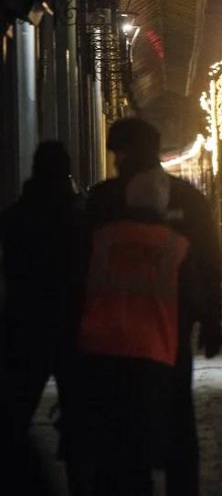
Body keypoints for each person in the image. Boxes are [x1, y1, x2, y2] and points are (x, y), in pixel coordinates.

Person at [62, 118, 222, 495]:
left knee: (118, 425)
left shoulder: (102, 199)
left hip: (107, 338)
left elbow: (79, 268)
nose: (118, 161)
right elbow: (208, 262)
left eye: (119, 153)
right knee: (178, 419)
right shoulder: (189, 199)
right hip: (169, 330)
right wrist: (210, 318)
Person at [0, 142, 80, 492]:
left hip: (24, 324)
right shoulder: (78, 220)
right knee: (78, 415)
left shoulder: (13, 218)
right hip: (72, 327)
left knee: (16, 412)